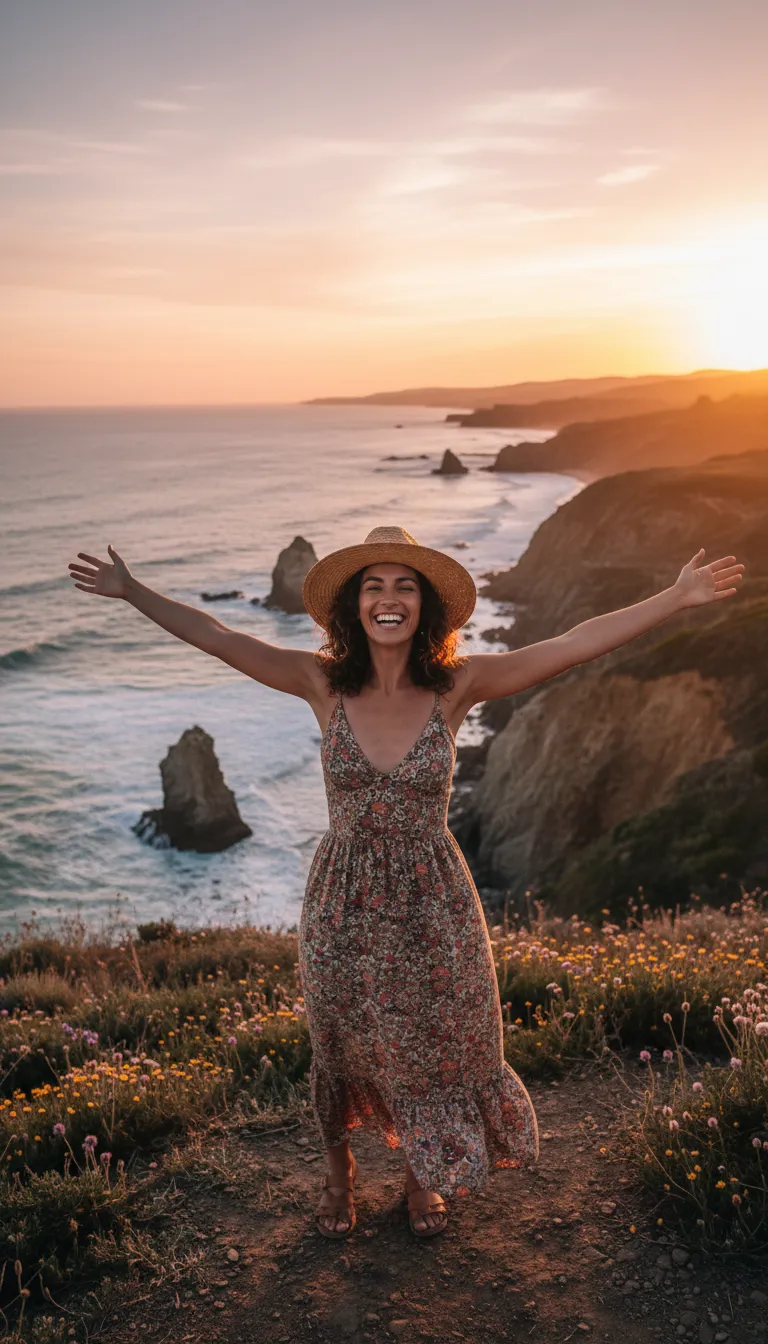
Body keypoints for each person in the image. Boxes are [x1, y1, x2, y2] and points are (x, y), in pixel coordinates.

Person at [68, 525, 744, 1240]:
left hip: (434, 900)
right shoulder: (320, 681)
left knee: (432, 1042)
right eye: (373, 586)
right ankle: (340, 1178)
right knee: (339, 1040)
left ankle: (422, 1180)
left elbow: (572, 643)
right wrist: (132, 590)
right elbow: (217, 635)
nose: (388, 599)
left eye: (404, 587)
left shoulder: (458, 686)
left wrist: (673, 599)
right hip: (342, 900)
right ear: (353, 607)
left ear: (424, 606)